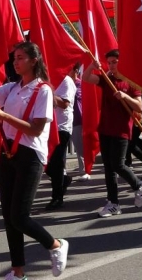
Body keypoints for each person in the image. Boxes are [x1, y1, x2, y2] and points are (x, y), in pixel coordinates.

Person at [0, 41, 68, 280]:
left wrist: (5, 116)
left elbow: (35, 129)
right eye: (14, 58)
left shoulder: (43, 90)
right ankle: (18, 271)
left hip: (30, 154)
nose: (15, 62)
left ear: (34, 61)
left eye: (20, 58)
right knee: (8, 216)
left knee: (20, 216)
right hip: (9, 154)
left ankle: (55, 244)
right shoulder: (12, 87)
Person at [81, 49, 142, 218]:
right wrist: (92, 66)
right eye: (109, 62)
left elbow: (138, 106)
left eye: (114, 62)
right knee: (108, 168)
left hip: (121, 129)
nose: (111, 65)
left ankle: (138, 185)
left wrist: (125, 96)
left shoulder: (131, 82)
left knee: (118, 164)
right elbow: (86, 78)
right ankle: (113, 203)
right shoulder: (106, 79)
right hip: (105, 128)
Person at [45, 64, 77, 211]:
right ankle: (63, 180)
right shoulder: (48, 79)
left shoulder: (67, 81)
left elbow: (64, 104)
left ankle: (57, 197)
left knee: (56, 164)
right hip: (47, 126)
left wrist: (48, 92)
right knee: (47, 165)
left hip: (61, 127)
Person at [69, 65, 90, 181]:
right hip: (70, 119)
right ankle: (83, 169)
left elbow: (77, 97)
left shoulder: (79, 84)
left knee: (80, 145)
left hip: (79, 118)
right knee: (77, 144)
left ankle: (86, 170)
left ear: (76, 71)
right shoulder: (67, 83)